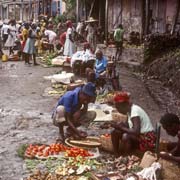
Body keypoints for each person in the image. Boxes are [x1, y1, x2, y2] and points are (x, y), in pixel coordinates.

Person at [111, 92, 156, 157]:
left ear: (123, 105)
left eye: (118, 108)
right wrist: (117, 125)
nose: (118, 110)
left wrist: (120, 127)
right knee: (115, 132)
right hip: (140, 136)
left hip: (147, 139)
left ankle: (127, 157)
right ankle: (116, 154)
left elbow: (136, 131)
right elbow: (128, 126)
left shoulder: (135, 111)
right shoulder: (129, 111)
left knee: (126, 136)